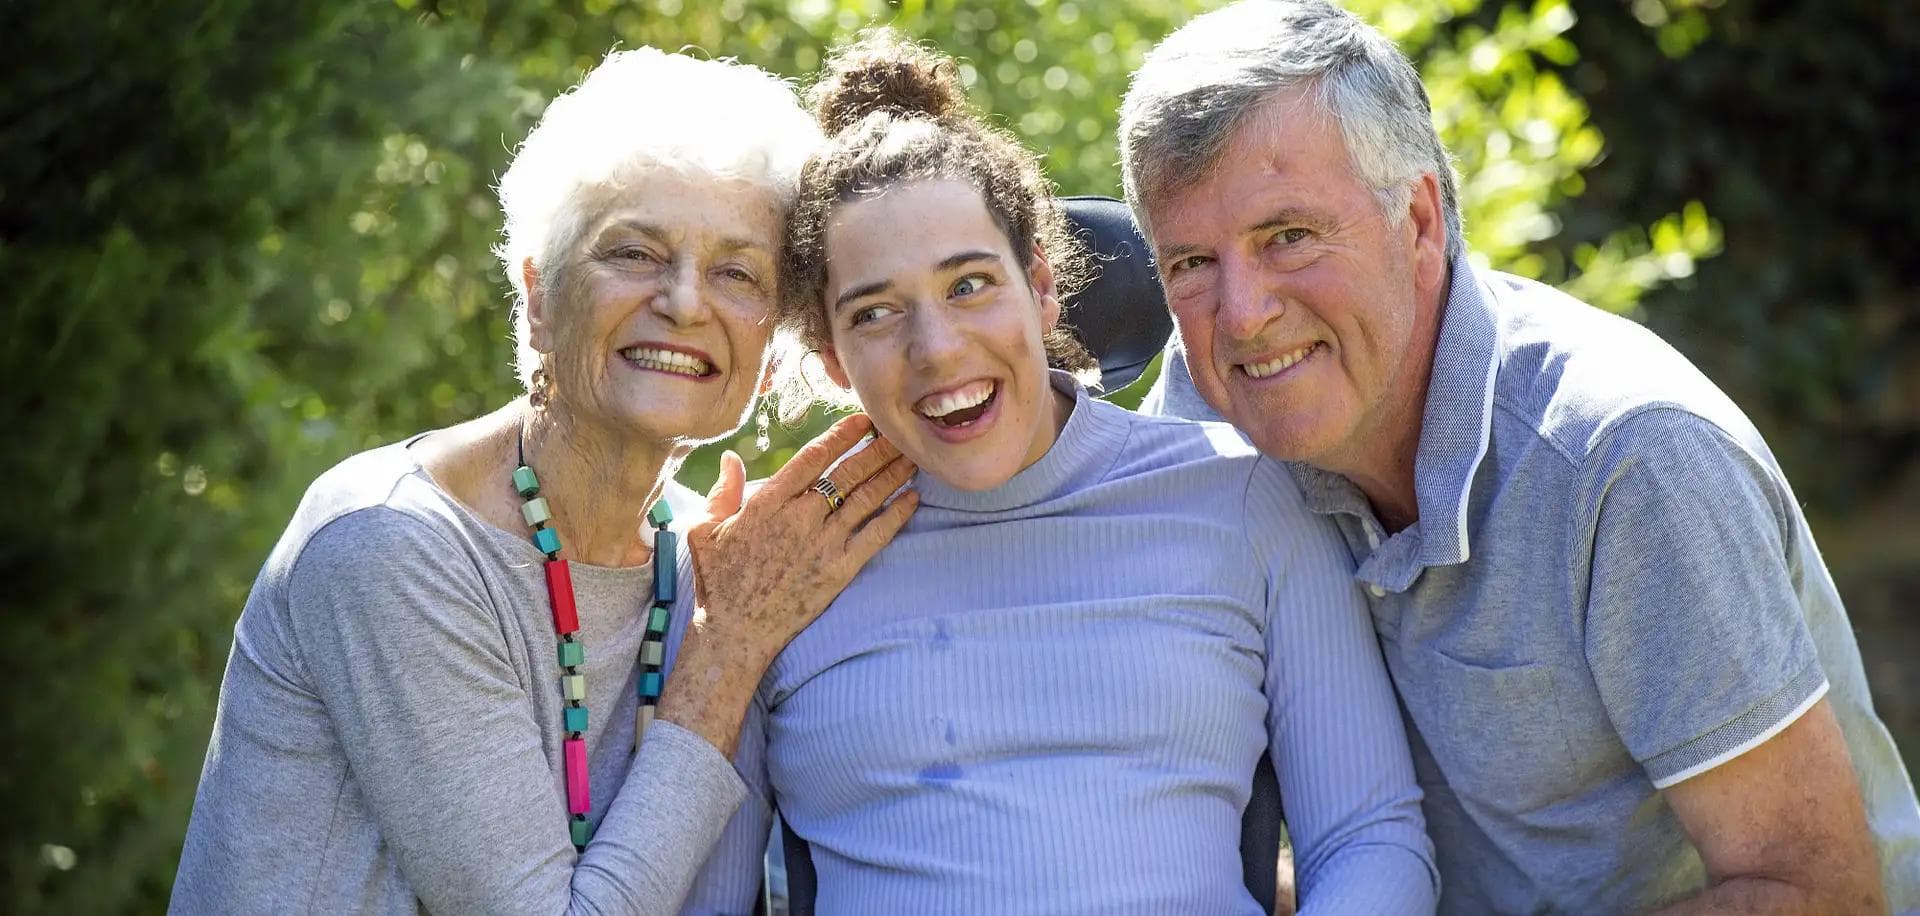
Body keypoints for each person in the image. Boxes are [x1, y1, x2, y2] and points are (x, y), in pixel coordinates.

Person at [1122, 1, 1920, 912]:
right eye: (1190, 262)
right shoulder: (1215, 407)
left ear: (1418, 221)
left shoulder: (1626, 460)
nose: (1241, 313)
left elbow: (1815, 892)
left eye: (1289, 237)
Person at [688, 30, 1438, 914]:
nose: (937, 350)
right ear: (833, 357)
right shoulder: (777, 571)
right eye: (878, 312)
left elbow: (1369, 840)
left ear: (1041, 288)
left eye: (970, 285)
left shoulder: (1244, 500)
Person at [170, 48, 919, 914]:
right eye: (633, 253)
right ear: (538, 295)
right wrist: (727, 654)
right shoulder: (390, 544)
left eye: (735, 272)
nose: (683, 302)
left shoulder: (707, 556)